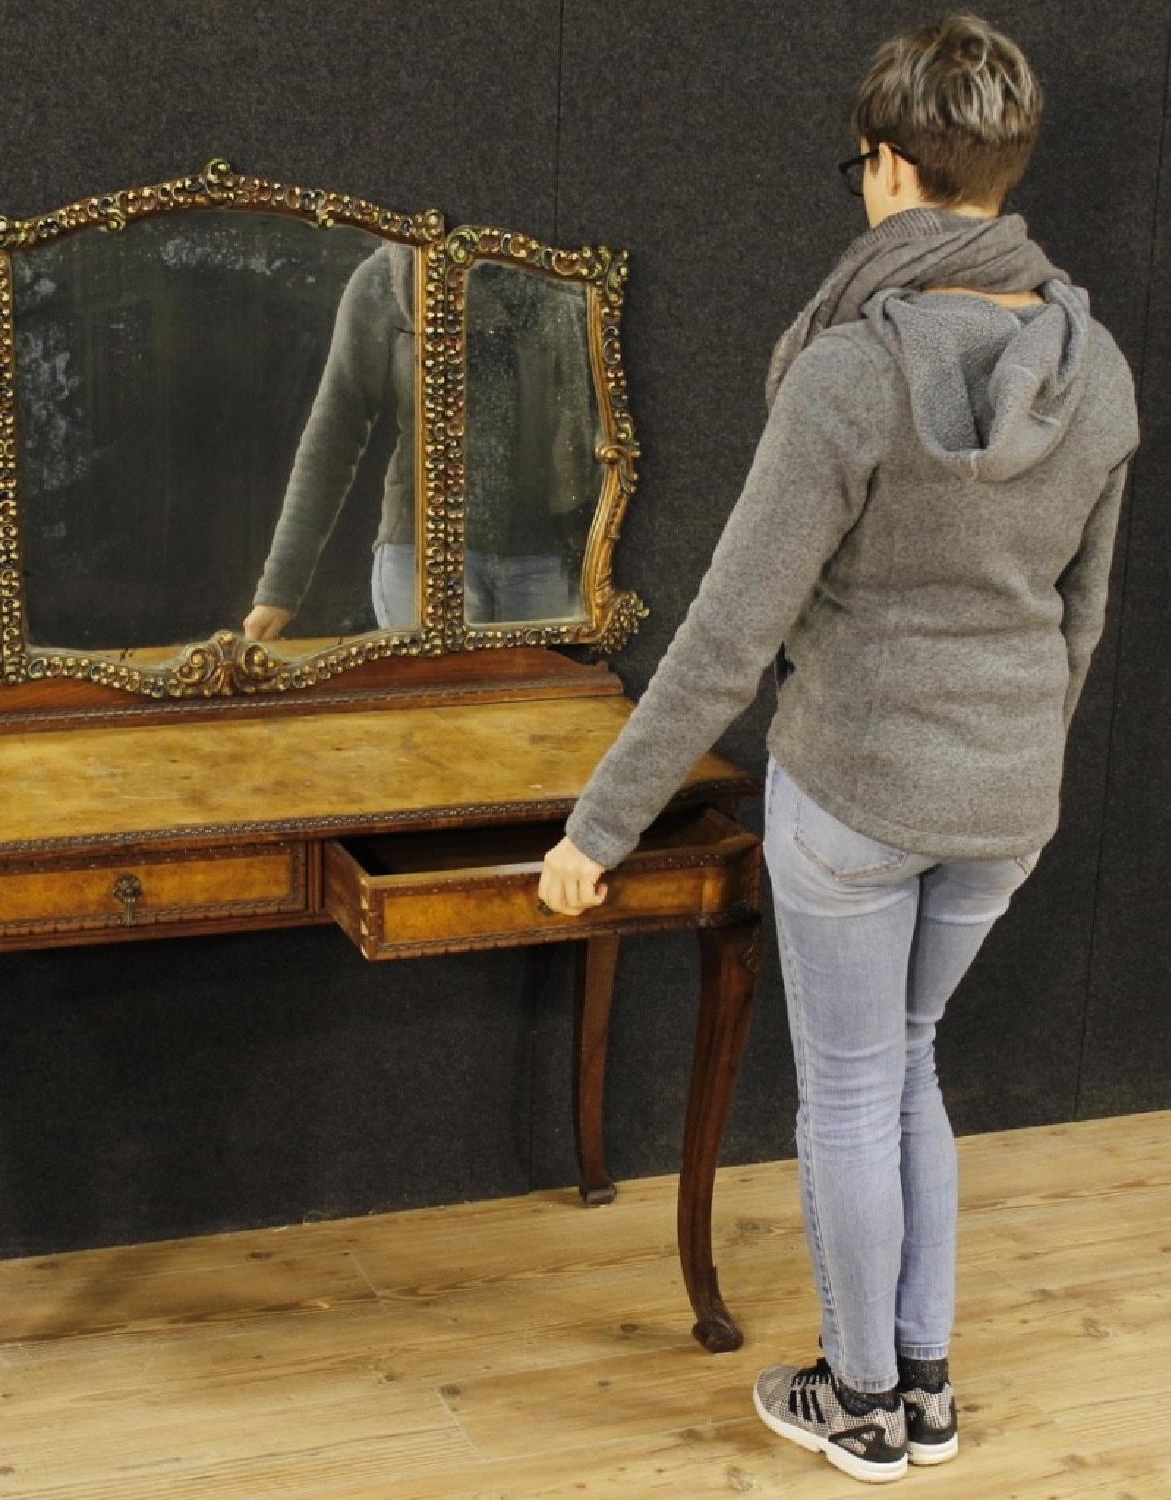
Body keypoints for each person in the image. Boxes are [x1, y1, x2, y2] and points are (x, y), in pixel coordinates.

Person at [536, 13, 1138, 1485]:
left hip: (855, 793)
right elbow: (1082, 623)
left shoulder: (846, 373)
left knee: (859, 1090)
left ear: (885, 169)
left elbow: (730, 636)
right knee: (913, 1063)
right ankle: (922, 1387)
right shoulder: (1099, 366)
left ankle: (863, 1401)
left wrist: (594, 832)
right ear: (1002, 169)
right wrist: (1012, 773)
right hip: (1005, 803)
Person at [242, 245, 598, 641]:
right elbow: (333, 434)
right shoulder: (388, 279)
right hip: (421, 561)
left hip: (553, 558)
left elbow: (613, 421)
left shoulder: (563, 271)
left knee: (550, 702)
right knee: (435, 702)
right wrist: (279, 589)